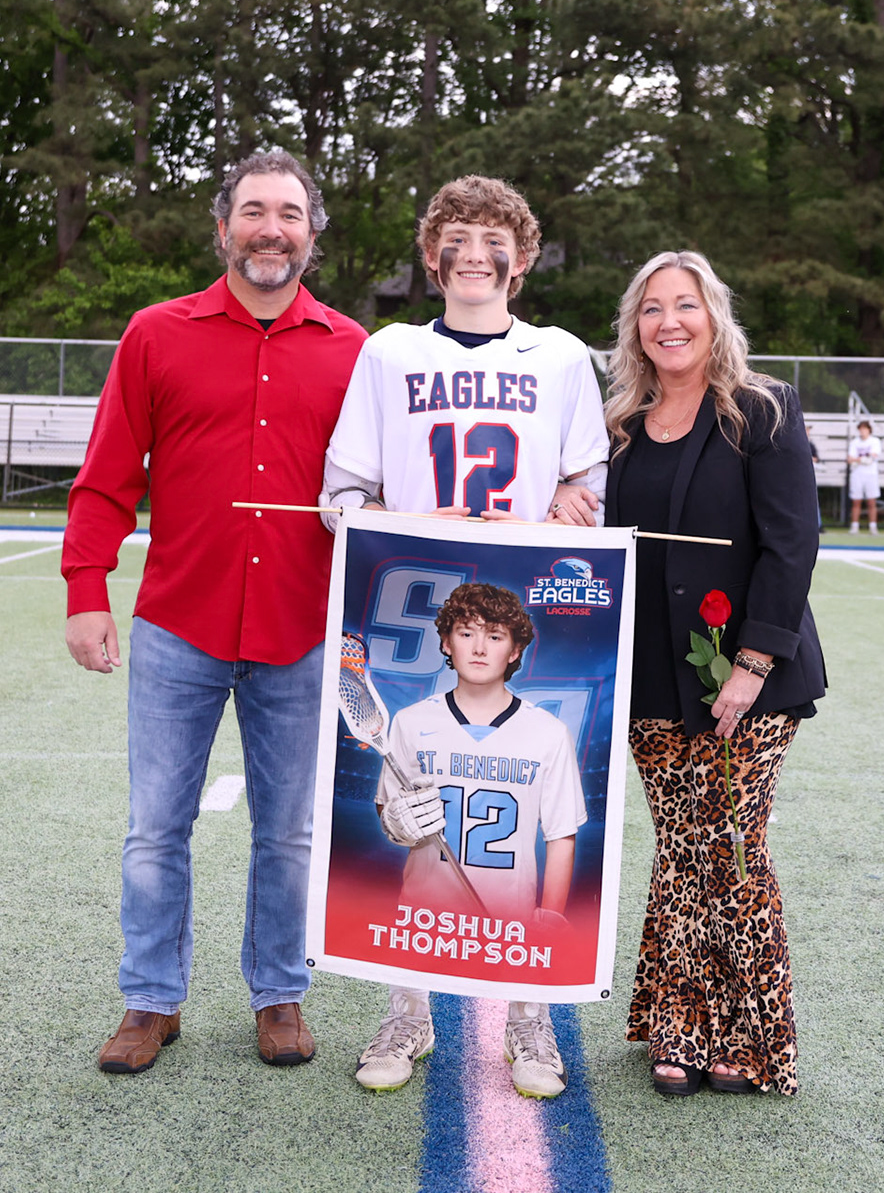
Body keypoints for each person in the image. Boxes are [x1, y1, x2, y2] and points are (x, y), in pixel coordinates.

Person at [62, 149, 368, 1076]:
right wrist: (86, 589)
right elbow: (108, 474)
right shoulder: (157, 333)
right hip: (178, 627)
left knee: (289, 832)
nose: (270, 229)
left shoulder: (358, 350)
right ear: (224, 225)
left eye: (288, 213)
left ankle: (279, 996)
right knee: (157, 826)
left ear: (313, 234)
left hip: (301, 633)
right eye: (252, 211)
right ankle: (150, 1001)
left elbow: (394, 487)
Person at [320, 174, 608, 1100]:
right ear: (431, 254)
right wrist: (400, 517)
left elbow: (589, 491)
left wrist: (575, 505)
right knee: (414, 815)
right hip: (413, 605)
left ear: (521, 261)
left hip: (521, 603)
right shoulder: (389, 351)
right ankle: (407, 1011)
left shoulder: (562, 357)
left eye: (494, 240)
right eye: (456, 236)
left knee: (518, 823)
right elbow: (340, 500)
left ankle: (530, 1018)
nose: (474, 254)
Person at [603, 249, 826, 1097]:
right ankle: (674, 1027)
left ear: (713, 314)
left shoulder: (761, 411)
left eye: (685, 304)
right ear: (636, 328)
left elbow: (792, 543)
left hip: (748, 679)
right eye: (652, 308)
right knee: (681, 848)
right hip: (652, 680)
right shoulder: (621, 425)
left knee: (730, 847)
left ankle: (749, 1037)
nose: (669, 321)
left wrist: (752, 664)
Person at [370, 584, 586, 1099]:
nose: (480, 646)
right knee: (413, 957)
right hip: (426, 905)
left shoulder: (546, 732)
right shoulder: (411, 723)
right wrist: (396, 823)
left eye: (495, 635)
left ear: (515, 650)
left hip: (511, 905)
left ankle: (527, 1024)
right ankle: (410, 1021)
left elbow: (560, 836)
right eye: (466, 633)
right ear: (446, 642)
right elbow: (387, 813)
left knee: (523, 970)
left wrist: (551, 916)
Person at [847, 419, 882, 533]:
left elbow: (873, 456)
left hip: (870, 475)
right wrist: (862, 459)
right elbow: (850, 459)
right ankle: (855, 526)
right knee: (856, 501)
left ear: (869, 430)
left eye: (864, 429)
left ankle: (873, 526)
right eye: (860, 429)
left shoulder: (875, 441)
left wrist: (859, 459)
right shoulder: (854, 442)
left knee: (871, 502)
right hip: (857, 475)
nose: (862, 431)